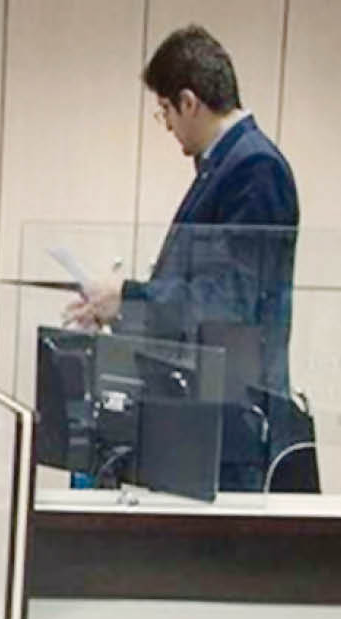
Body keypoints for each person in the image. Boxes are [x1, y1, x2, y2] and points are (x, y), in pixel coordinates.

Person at [66, 25, 299, 490]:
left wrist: (128, 298)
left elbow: (227, 303)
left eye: (165, 111)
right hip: (205, 420)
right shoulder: (225, 165)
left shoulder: (255, 169)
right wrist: (117, 309)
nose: (168, 126)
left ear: (189, 102)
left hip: (233, 430)